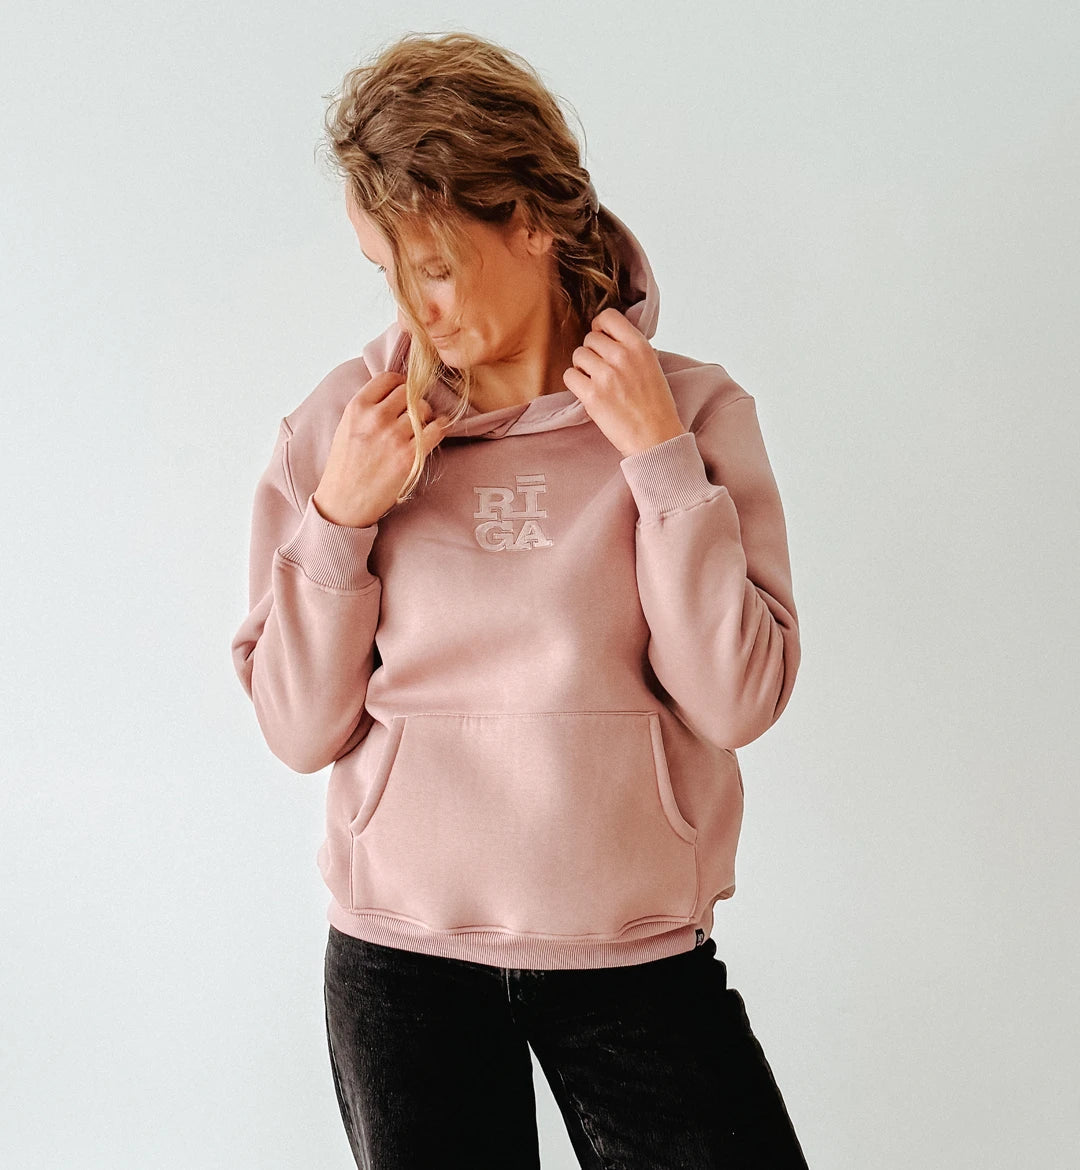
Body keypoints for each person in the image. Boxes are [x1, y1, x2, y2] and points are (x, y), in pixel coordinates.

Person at [230, 29, 808, 1170]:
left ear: (534, 220)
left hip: (633, 952)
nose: (417, 310)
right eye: (387, 271)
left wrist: (659, 465)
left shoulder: (692, 413)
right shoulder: (345, 426)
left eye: (437, 266)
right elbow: (297, 730)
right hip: (402, 963)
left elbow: (737, 699)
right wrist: (340, 518)